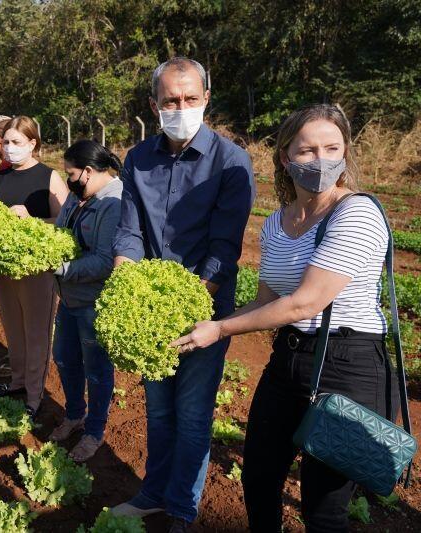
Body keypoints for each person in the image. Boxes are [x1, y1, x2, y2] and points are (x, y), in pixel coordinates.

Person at [172, 104, 399, 532]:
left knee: (323, 507)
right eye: (307, 150)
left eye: (332, 149)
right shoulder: (277, 223)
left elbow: (306, 302)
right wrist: (196, 323)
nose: (321, 160)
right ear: (285, 157)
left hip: (347, 367)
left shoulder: (357, 213)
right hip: (288, 360)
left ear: (346, 153)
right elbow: (267, 303)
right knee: (258, 478)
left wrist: (219, 329)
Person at [110, 57, 254, 531]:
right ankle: (154, 491)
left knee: (193, 413)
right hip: (151, 306)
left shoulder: (231, 162)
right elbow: (130, 233)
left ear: (206, 99)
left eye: (190, 98)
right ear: (154, 104)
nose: (181, 107)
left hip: (204, 310)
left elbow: (223, 248)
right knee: (158, 409)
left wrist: (188, 305)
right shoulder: (137, 159)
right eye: (171, 100)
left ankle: (182, 508)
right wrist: (127, 288)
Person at [0, 115, 69, 417]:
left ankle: (34, 396)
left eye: (16, 142)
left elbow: (63, 224)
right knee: (12, 328)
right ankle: (18, 381)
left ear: (32, 144)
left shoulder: (48, 177)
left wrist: (31, 220)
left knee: (36, 333)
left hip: (38, 273)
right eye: (6, 142)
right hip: (5, 269)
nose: (9, 148)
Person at [50, 139, 123, 462]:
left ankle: (94, 431)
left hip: (94, 303)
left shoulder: (114, 203)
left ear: (90, 171)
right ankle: (74, 415)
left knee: (97, 369)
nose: (68, 179)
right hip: (68, 298)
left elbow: (107, 261)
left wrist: (62, 268)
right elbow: (59, 234)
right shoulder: (79, 195)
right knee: (64, 358)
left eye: (72, 173)